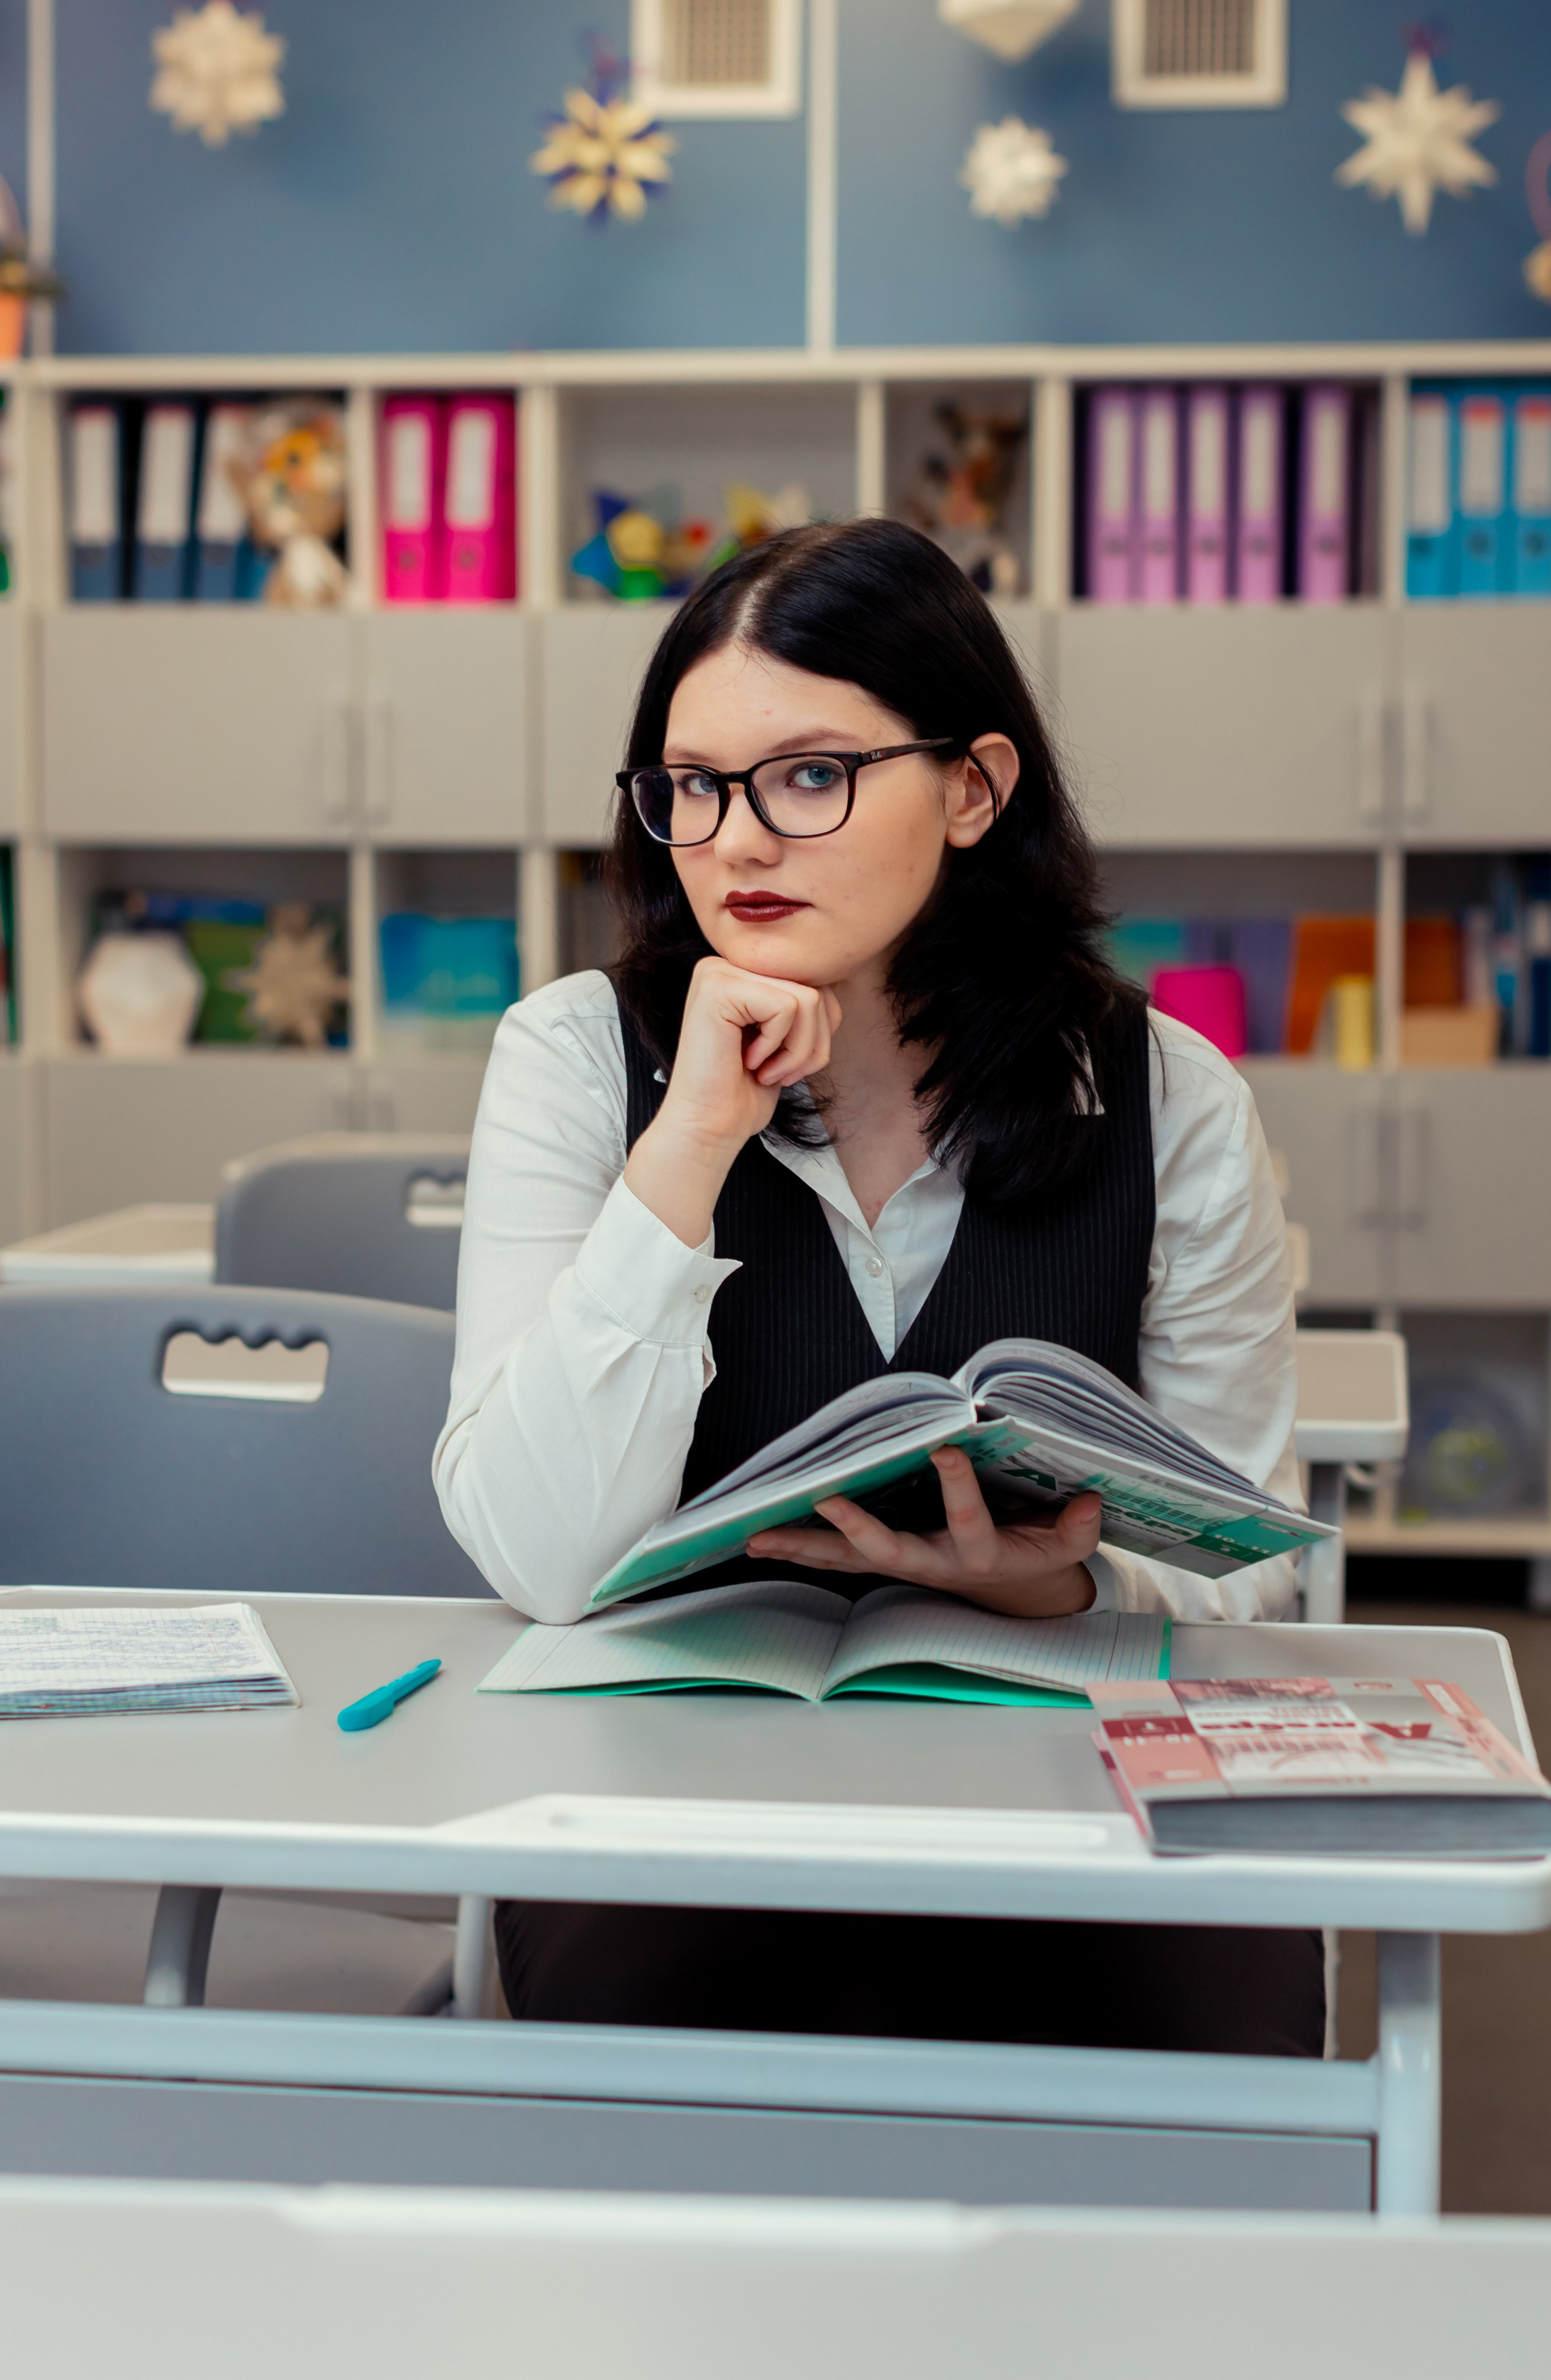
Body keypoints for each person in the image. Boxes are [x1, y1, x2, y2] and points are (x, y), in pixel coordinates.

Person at [434, 518, 1322, 2056]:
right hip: (674, 1771)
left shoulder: (1166, 1094)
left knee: (1197, 2010)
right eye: (691, 786)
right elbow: (538, 1557)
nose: (733, 843)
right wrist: (688, 1144)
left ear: (972, 788)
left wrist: (1059, 1589)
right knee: (703, 2003)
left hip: (1063, 1749)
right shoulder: (576, 1059)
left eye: (807, 776)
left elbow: (1244, 1561)